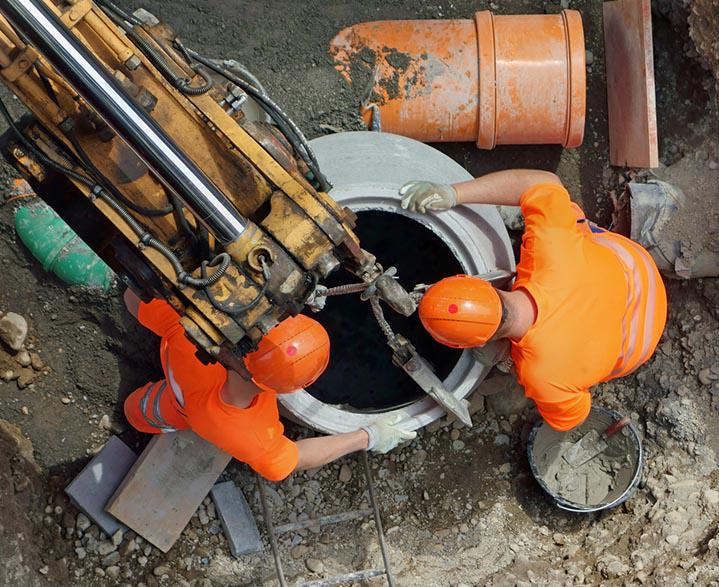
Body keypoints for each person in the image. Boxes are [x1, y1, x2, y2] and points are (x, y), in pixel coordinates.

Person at [400, 170, 667, 432]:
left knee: (571, 374)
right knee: (563, 217)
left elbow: (572, 419)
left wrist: (512, 357)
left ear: (478, 343)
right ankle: (532, 213)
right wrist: (454, 193)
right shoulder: (548, 249)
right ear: (478, 282)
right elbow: (544, 181)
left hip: (638, 344)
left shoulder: (543, 376)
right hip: (639, 270)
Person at [122, 290, 415, 481]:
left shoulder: (197, 326)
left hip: (178, 378)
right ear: (290, 390)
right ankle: (137, 416)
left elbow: (134, 298)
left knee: (137, 409)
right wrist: (368, 437)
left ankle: (136, 413)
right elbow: (292, 459)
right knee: (142, 412)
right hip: (184, 411)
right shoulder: (252, 437)